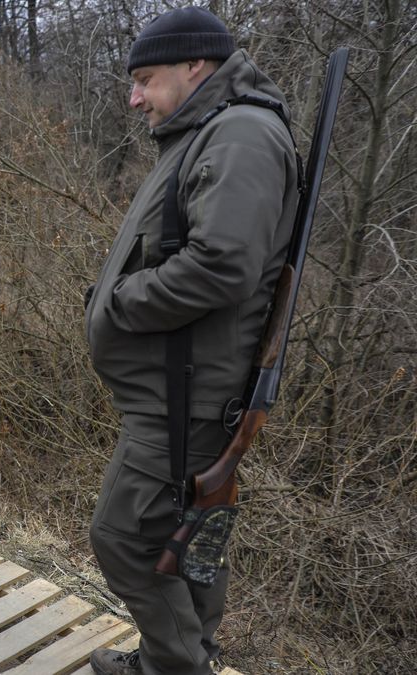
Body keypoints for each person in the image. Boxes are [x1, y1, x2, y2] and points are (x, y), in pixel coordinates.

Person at [85, 8, 300, 675]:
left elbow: (223, 265)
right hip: (177, 389)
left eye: (146, 79)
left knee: (123, 536)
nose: (134, 96)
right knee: (193, 537)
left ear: (195, 67)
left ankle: (176, 666)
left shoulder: (239, 135)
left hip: (189, 395)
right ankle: (175, 656)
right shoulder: (207, 132)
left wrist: (119, 304)